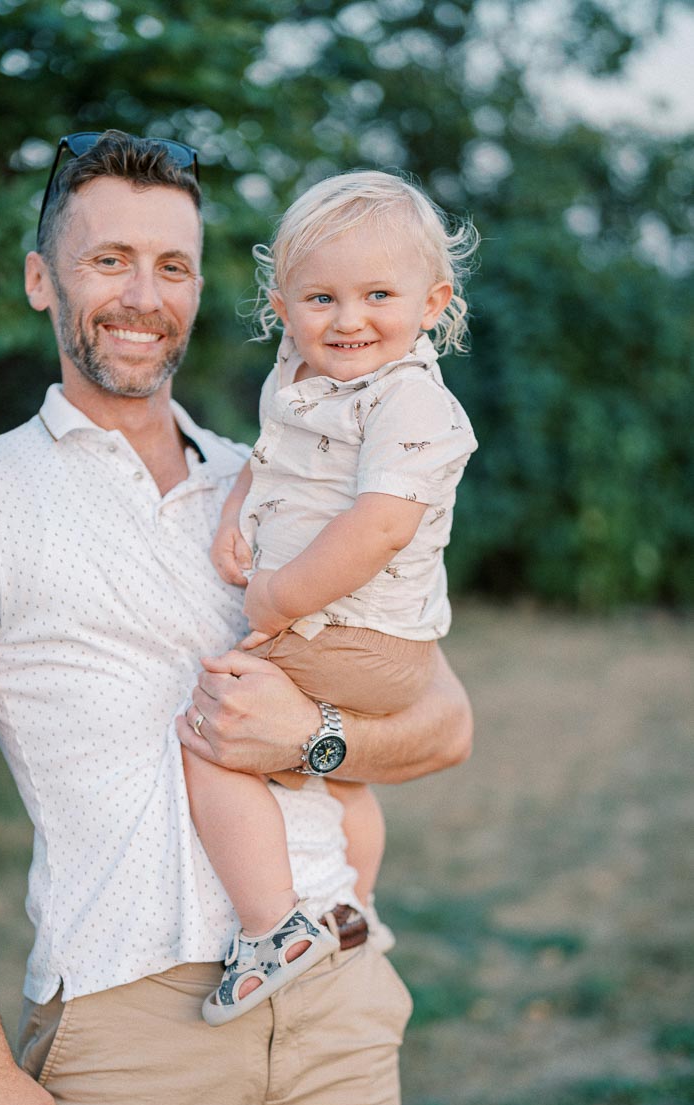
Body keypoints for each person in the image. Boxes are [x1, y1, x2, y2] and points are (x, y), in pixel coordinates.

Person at [0, 130, 472, 1105]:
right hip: (131, 998)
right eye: (109, 262)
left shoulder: (282, 478)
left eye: (174, 268)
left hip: (335, 975)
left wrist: (311, 744)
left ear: (204, 290)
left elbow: (446, 722)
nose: (144, 298)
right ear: (44, 278)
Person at [185, 171, 479, 1025]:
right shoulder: (309, 381)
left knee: (214, 731)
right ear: (282, 306)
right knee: (346, 784)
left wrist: (275, 596)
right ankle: (356, 909)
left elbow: (379, 529)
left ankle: (272, 926)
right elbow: (269, 459)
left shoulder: (412, 400)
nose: (348, 319)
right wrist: (237, 516)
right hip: (361, 638)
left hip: (356, 632)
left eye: (377, 295)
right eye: (321, 297)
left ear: (432, 301)